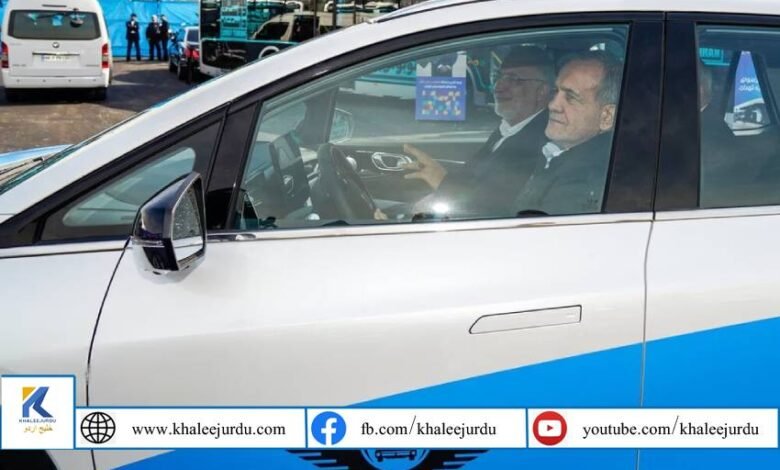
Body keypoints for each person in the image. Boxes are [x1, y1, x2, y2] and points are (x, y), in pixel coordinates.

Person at [401, 46, 554, 216]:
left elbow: (493, 209)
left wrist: (441, 182)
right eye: (498, 77)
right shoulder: (510, 129)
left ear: (541, 91)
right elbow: (476, 183)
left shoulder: (542, 142)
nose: (498, 86)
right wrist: (439, 179)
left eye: (513, 79)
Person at [513, 50, 622, 215]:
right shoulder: (565, 155)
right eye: (556, 92)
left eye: (571, 97)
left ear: (607, 116)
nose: (552, 105)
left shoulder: (585, 181)